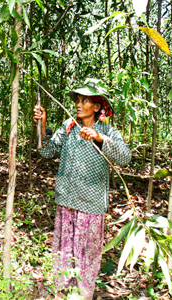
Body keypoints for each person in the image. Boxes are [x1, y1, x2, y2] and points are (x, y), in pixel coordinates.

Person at [33, 79, 132, 299]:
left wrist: (100, 139)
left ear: (97, 106)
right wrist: (42, 126)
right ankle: (62, 293)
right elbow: (47, 152)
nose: (78, 104)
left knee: (86, 256)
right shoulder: (68, 126)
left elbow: (125, 157)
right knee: (64, 253)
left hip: (91, 205)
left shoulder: (108, 130)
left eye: (84, 100)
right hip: (66, 202)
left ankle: (82, 295)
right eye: (78, 100)